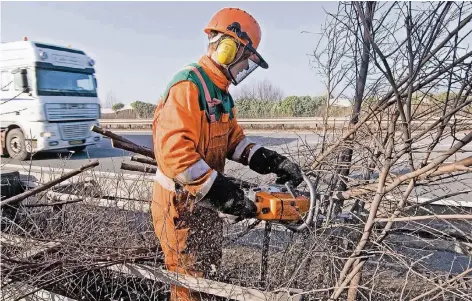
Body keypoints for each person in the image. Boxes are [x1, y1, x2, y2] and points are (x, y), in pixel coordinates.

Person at [151, 7, 303, 301]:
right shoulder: (188, 86)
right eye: (244, 59)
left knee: (209, 270)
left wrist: (272, 161)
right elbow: (176, 157)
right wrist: (227, 196)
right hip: (180, 205)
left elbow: (234, 143)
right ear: (227, 49)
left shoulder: (222, 96)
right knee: (188, 280)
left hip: (205, 201)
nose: (244, 68)